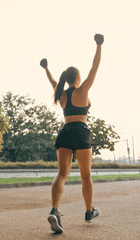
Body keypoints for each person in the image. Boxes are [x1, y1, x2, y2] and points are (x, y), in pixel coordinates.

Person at [40, 33, 104, 233]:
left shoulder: (60, 93)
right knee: (86, 176)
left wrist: (46, 68)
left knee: (61, 174)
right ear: (77, 78)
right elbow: (95, 67)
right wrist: (99, 45)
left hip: (65, 132)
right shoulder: (83, 89)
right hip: (81, 132)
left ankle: (55, 210)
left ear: (65, 80)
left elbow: (52, 81)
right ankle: (88, 211)